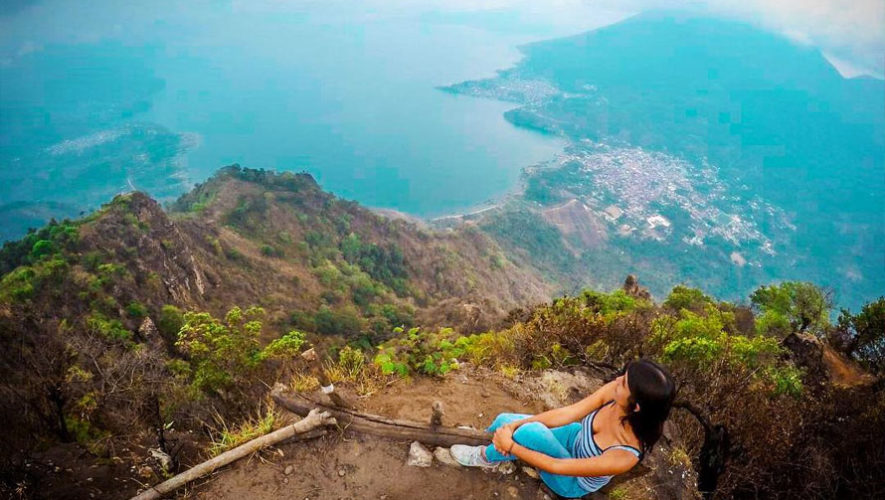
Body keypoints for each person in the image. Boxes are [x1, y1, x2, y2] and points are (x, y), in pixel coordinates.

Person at [451, 359, 676, 498]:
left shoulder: (625, 455)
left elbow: (558, 466)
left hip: (570, 481)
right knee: (504, 419)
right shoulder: (614, 394)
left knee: (526, 435)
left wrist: (511, 444)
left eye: (624, 383)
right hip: (573, 436)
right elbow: (568, 413)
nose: (617, 380)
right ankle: (489, 438)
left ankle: (486, 457)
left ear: (636, 406)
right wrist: (513, 425)